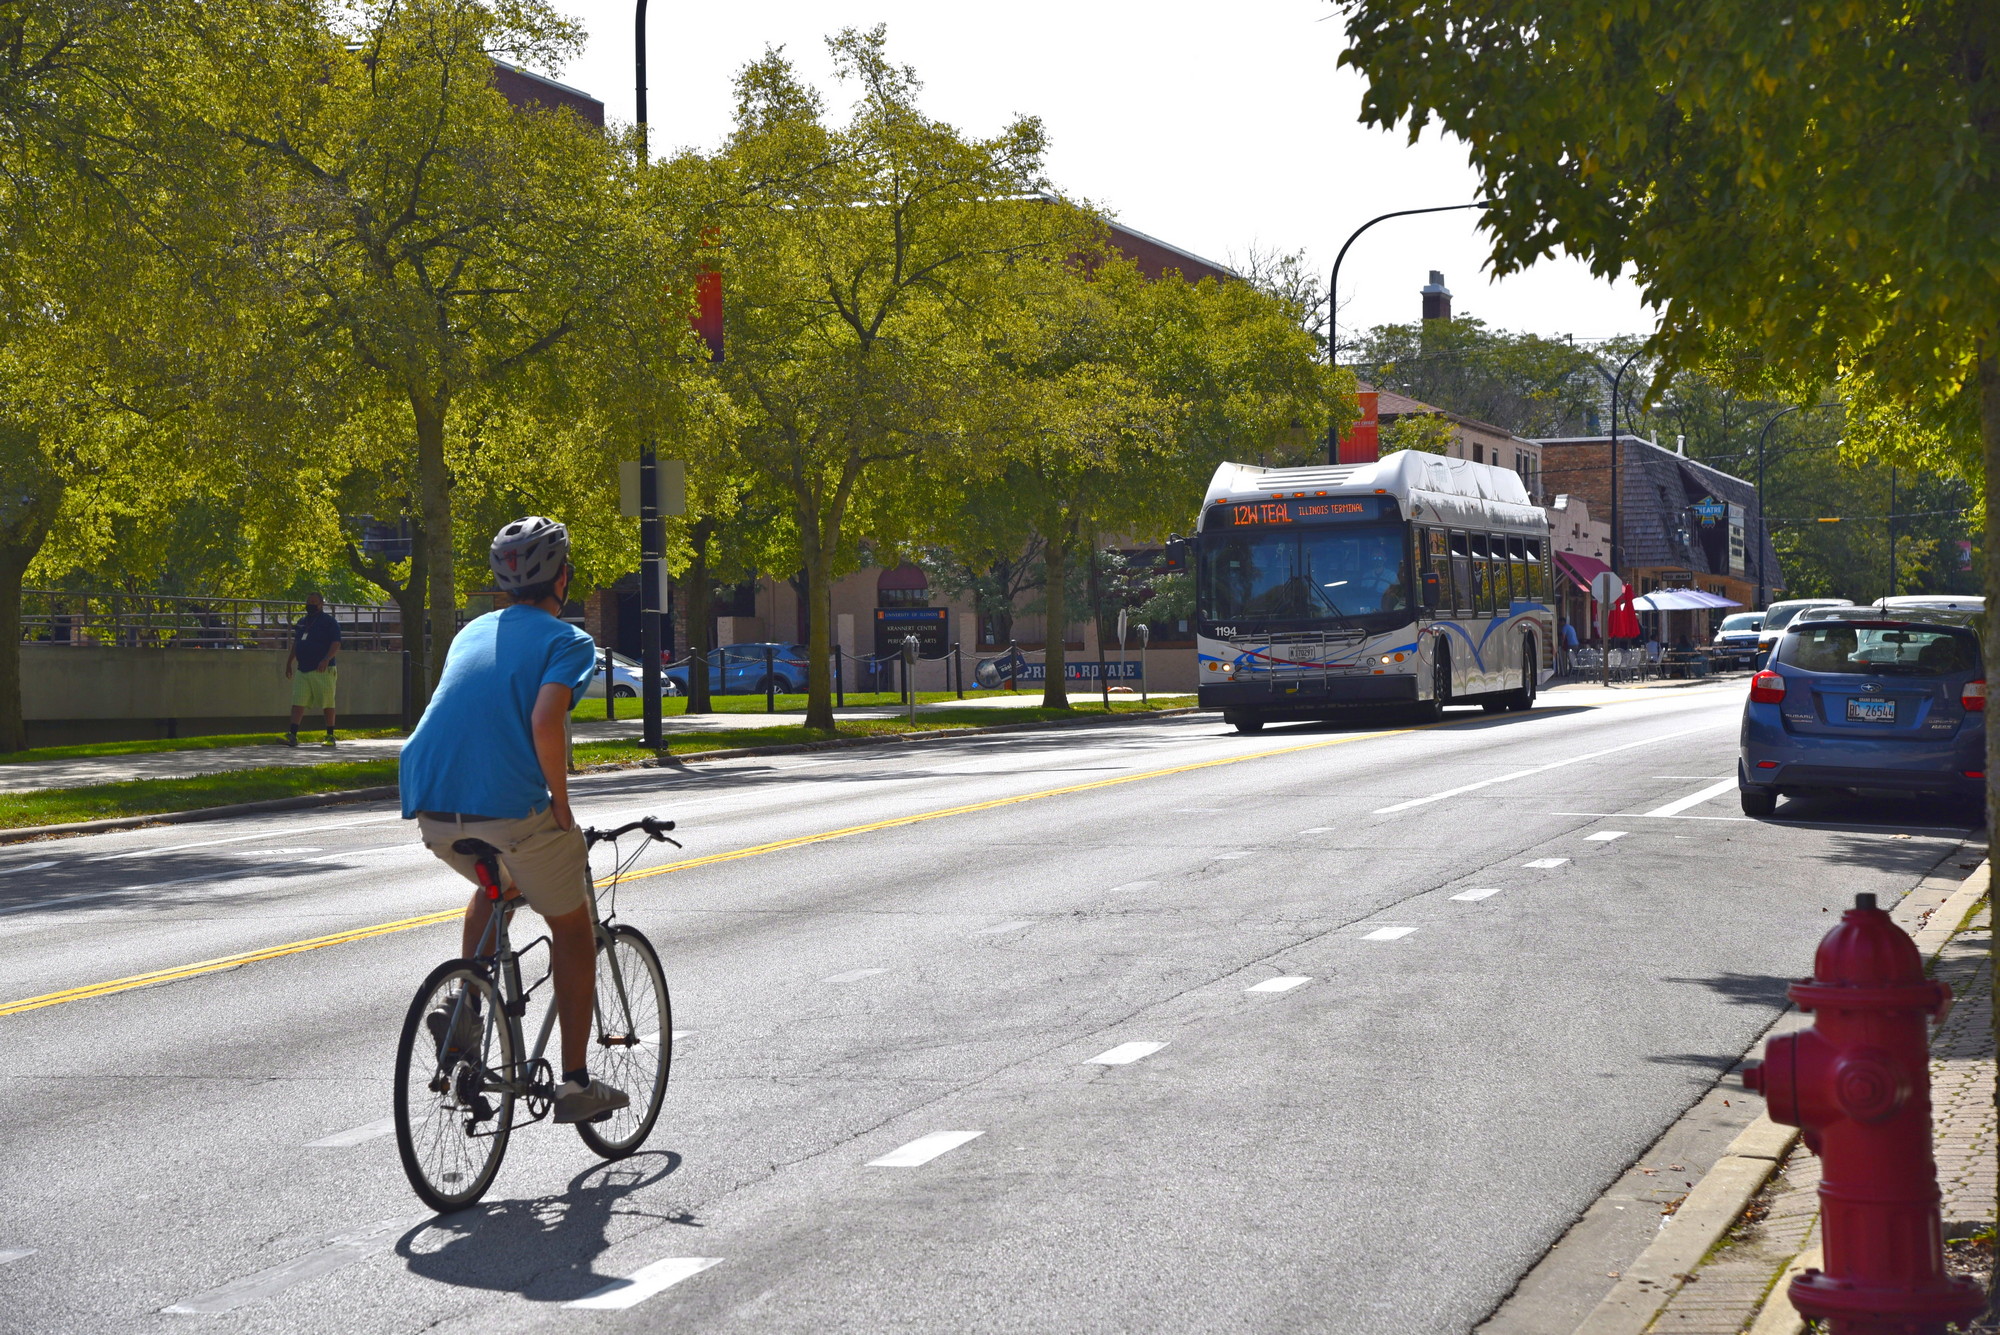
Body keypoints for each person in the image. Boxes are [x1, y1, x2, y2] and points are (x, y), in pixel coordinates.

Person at [398, 516, 628, 1125]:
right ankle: (576, 1083)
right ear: (565, 578)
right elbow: (547, 723)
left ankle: (470, 1006)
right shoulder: (569, 641)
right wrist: (561, 802)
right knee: (573, 932)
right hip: (512, 808)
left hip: (430, 800)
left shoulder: (471, 631)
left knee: (493, 884)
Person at [285, 593, 343, 747]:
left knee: (327, 702)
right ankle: (292, 734)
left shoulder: (329, 622)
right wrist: (289, 662)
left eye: (314, 602)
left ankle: (330, 735)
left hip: (322, 669)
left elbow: (336, 643)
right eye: (308, 601)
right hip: (303, 669)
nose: (310, 604)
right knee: (298, 701)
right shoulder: (302, 622)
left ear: (321, 604)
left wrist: (326, 659)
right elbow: (297, 643)